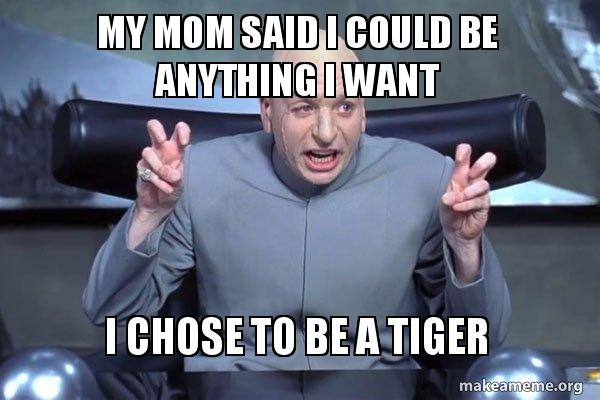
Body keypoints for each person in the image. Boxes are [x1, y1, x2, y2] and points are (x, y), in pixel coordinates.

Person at [83, 32, 510, 371]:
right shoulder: (200, 175)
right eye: (304, 107)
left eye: (344, 107)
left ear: (364, 113)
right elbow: (109, 313)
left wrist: (465, 248)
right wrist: (148, 214)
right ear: (267, 113)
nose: (326, 132)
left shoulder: (427, 176)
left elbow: (482, 340)